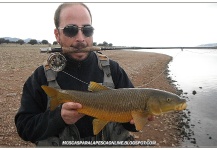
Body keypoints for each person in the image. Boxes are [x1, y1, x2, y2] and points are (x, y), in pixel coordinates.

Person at [15, 3, 138, 146]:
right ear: (57, 35)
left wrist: (137, 121)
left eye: (87, 30)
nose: (80, 38)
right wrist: (58, 118)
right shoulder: (40, 76)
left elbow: (131, 124)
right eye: (71, 30)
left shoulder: (113, 70)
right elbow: (24, 128)